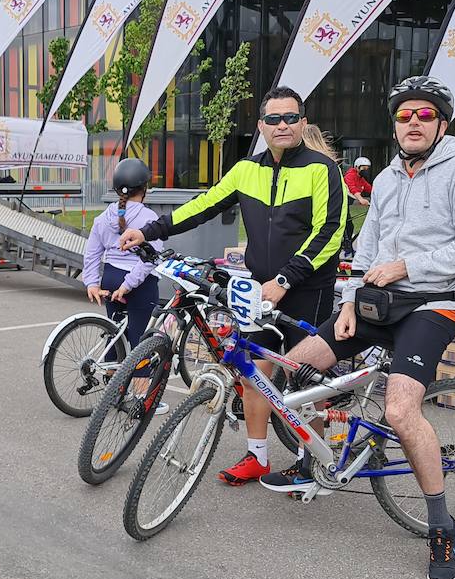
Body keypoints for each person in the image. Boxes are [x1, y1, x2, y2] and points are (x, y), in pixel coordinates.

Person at [256, 75, 455, 579]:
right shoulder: (386, 180)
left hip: (434, 305)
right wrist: (346, 304)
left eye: (424, 115)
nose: (413, 122)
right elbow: (364, 252)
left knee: (399, 408)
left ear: (441, 123)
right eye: (405, 115)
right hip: (374, 302)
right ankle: (309, 462)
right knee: (298, 368)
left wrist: (406, 267)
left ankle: (440, 526)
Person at [119, 86, 347, 486]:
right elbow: (204, 206)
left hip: (307, 289)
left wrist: (285, 279)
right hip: (259, 290)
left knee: (305, 379)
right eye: (273, 119)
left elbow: (330, 230)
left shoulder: (322, 169)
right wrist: (148, 231)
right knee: (253, 373)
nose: (282, 125)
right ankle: (256, 456)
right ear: (261, 126)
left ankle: (309, 462)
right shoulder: (246, 170)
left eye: (290, 118)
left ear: (303, 123)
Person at [83, 159, 166, 412]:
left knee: (114, 333)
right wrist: (129, 285)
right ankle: (140, 399)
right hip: (138, 284)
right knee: (140, 339)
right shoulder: (149, 217)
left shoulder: (103, 217)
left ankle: (113, 394)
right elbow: (151, 259)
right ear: (145, 188)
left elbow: (92, 254)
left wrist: (91, 283)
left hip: (110, 277)